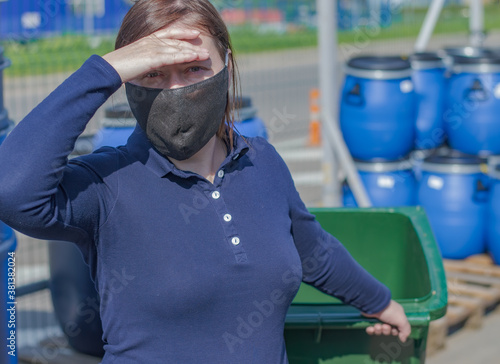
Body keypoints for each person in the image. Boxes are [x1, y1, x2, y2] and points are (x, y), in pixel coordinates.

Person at [0, 0, 410, 362]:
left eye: (195, 68)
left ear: (226, 67)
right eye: (154, 73)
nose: (176, 90)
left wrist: (380, 302)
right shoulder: (107, 185)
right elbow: (12, 190)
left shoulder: (260, 161)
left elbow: (312, 249)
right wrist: (105, 69)